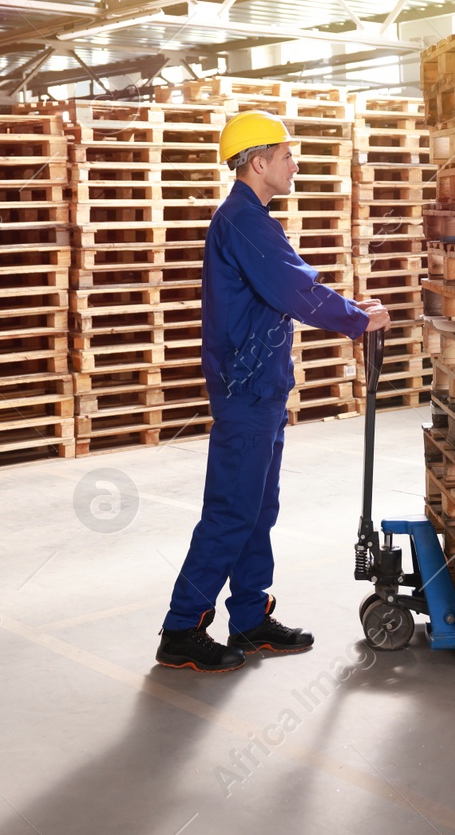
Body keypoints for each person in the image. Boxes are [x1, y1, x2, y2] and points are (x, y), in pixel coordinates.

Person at [156, 110, 390, 672]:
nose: (295, 163)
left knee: (259, 508)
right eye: (286, 155)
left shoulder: (253, 217)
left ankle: (250, 616)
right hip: (244, 389)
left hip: (260, 387)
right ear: (258, 162)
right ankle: (182, 627)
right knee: (232, 510)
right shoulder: (243, 221)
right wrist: (358, 319)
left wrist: (355, 314)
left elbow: (287, 286)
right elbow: (294, 289)